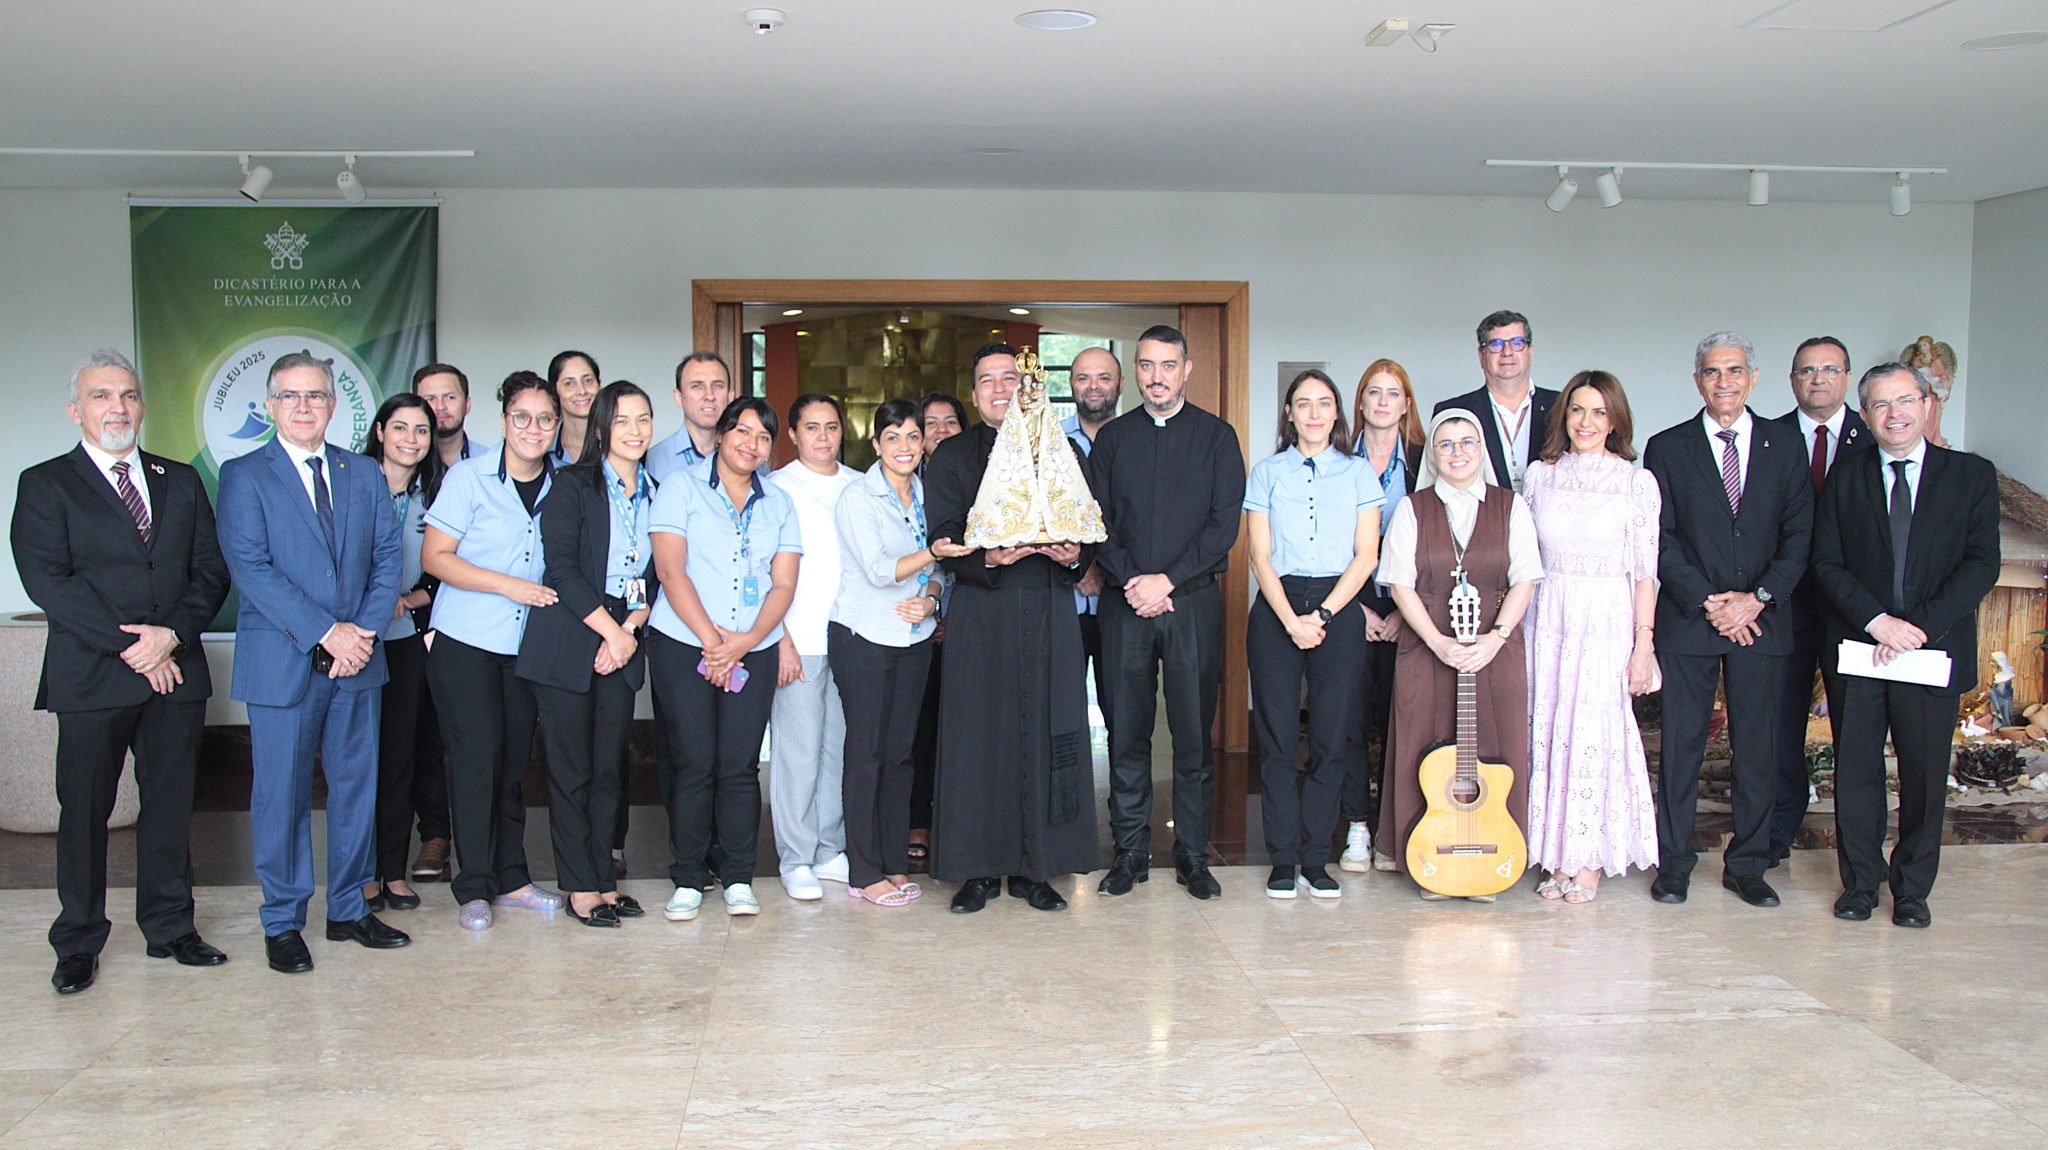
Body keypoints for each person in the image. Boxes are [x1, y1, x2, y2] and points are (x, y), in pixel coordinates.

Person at [12, 349, 232, 994]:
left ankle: (170, 927)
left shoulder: (180, 480)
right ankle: (78, 940)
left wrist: (170, 637)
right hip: (94, 677)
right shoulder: (46, 482)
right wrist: (135, 647)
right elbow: (50, 582)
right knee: (83, 811)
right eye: (103, 396)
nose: (119, 407)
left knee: (169, 807)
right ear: (76, 410)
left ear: (142, 405)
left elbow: (211, 571)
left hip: (176, 670)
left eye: (129, 395)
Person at [217, 352, 408, 972]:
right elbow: (251, 568)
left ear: (334, 404)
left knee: (358, 788)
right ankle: (283, 920)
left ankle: (349, 908)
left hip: (359, 663)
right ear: (271, 406)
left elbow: (387, 561)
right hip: (285, 662)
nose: (304, 407)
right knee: (282, 794)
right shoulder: (245, 475)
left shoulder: (364, 474)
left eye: (316, 396)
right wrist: (328, 632)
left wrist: (362, 634)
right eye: (291, 396)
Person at [1813, 363, 1999, 928]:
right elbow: (1827, 562)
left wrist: (1915, 626)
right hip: (1861, 649)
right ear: (1865, 415)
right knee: (1858, 772)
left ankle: (1913, 889)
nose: (1894, 414)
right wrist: (1877, 622)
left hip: (1931, 647)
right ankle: (1860, 885)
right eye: (1880, 405)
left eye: (1905, 401)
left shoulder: (1970, 476)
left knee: (1923, 774)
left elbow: (1981, 565)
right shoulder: (1845, 477)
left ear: (1926, 405)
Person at [925, 343, 1099, 913]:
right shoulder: (952, 456)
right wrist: (987, 559)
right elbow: (945, 537)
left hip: (1049, 608)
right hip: (982, 612)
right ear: (974, 394)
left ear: (1030, 389)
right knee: (979, 740)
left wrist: (1074, 554)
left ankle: (1037, 869)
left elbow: (1089, 525)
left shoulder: (1062, 448)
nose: (1001, 390)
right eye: (988, 382)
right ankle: (977, 869)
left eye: (1010, 379)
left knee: (1051, 734)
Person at [1642, 332, 1813, 909]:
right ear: (1698, 381)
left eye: (1735, 371)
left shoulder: (1785, 446)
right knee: (1681, 748)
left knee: (1758, 748)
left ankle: (1749, 864)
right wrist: (1713, 601)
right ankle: (1674, 864)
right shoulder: (1667, 448)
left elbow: (1799, 536)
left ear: (1753, 378)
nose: (1724, 382)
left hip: (1763, 621)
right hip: (1691, 620)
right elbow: (1658, 539)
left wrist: (1756, 598)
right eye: (1713, 372)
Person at [1089, 325, 1244, 900]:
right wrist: (1134, 581)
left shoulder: (1217, 437)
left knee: (1193, 738)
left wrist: (1167, 580)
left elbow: (1222, 525)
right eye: (1147, 366)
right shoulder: (1113, 439)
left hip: (1193, 603)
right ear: (1136, 372)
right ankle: (1129, 853)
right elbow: (1096, 520)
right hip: (1124, 605)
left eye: (1168, 365)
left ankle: (1191, 856)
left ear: (1187, 369)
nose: (1157, 376)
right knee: (1125, 733)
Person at [646, 397, 802, 920]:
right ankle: (689, 876)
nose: (751, 444)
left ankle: (738, 876)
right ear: (721, 433)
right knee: (693, 761)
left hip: (751, 647)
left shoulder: (778, 503)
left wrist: (748, 638)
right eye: (742, 431)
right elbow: (671, 571)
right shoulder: (680, 486)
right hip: (683, 643)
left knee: (738, 767)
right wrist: (714, 641)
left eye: (762, 436)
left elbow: (783, 584)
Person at [422, 371, 567, 932]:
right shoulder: (468, 477)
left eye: (545, 419)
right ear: (505, 422)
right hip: (468, 642)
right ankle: (474, 885)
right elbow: (436, 556)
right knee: (475, 762)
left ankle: (513, 877)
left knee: (510, 765)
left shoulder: (566, 483)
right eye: (522, 418)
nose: (533, 428)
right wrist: (509, 586)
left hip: (527, 648)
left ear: (557, 427)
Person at [1377, 409, 1541, 901]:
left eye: (1467, 442)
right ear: (1433, 453)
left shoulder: (1511, 506)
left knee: (1494, 747)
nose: (1457, 453)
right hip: (1427, 646)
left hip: (1496, 648)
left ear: (1481, 449)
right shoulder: (1413, 507)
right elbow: (1400, 584)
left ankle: (1491, 857)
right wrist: (1438, 642)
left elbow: (1526, 578)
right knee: (1423, 747)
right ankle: (1428, 858)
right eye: (1445, 444)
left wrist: (1494, 638)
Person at [518, 381, 657, 928]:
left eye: (643, 419)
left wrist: (633, 625)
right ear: (601, 428)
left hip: (622, 639)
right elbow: (562, 570)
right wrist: (612, 634)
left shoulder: (657, 490)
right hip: (569, 644)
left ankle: (604, 878)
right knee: (571, 773)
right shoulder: (571, 485)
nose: (635, 431)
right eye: (622, 420)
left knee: (608, 772)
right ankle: (578, 886)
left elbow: (655, 572)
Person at [1522, 372, 1662, 903]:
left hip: (1605, 618)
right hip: (1548, 614)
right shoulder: (1540, 477)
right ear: (1563, 417)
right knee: (1549, 728)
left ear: (1616, 421)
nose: (1586, 422)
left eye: (1599, 412)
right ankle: (1554, 855)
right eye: (1577, 410)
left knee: (1594, 735)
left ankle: (1587, 858)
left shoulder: (1635, 482)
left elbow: (1645, 572)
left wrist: (1643, 643)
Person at [1245, 370, 1383, 899]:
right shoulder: (1266, 472)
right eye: (1303, 404)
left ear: (1337, 413)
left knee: (1332, 738)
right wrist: (1289, 619)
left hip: (1339, 606)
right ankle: (1282, 859)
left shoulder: (1356, 473)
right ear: (1289, 413)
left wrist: (1321, 616)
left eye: (1324, 403)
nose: (1314, 413)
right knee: (1278, 740)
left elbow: (1366, 555)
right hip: (1278, 605)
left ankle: (1316, 859)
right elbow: (1259, 556)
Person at [831, 398, 969, 905]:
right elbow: (878, 569)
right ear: (876, 445)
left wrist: (932, 601)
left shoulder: (928, 493)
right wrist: (933, 554)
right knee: (866, 756)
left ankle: (891, 863)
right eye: (893, 438)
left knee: (900, 756)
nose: (905, 447)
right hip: (864, 637)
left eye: (913, 436)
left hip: (913, 638)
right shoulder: (857, 497)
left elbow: (940, 573)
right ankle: (863, 872)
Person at [1766, 336, 1869, 863]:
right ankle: (1779, 829)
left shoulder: (1876, 435)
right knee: (1781, 722)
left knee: (1856, 726)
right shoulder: (1769, 437)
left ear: (1848, 377)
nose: (1818, 379)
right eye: (1807, 370)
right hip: (1786, 606)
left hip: (1854, 612)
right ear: (1792, 380)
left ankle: (1857, 846)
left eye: (1830, 369)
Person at [767, 394, 860, 900]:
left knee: (836, 749)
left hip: (847, 638)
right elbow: (764, 572)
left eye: (831, 426)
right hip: (797, 639)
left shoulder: (860, 486)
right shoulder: (776, 488)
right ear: (793, 434)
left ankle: (829, 849)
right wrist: (777, 639)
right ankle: (795, 856)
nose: (823, 437)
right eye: (812, 427)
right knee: (798, 752)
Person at [358, 394, 447, 914]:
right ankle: (361, 873)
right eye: (401, 428)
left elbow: (445, 566)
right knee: (358, 763)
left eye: (421, 430)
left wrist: (408, 601)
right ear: (379, 431)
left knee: (399, 760)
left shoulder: (434, 493)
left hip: (405, 641)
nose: (411, 439)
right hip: (354, 643)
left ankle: (392, 871)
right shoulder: (349, 485)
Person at [1342, 358, 1423, 873]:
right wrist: (1360, 609)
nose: (1383, 402)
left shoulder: (1426, 462)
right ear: (1361, 402)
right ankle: (1357, 828)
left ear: (1406, 404)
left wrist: (1399, 613)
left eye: (1393, 393)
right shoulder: (1334, 460)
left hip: (1410, 616)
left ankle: (1396, 830)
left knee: (1404, 723)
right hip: (1349, 607)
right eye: (1374, 392)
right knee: (1347, 722)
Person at [907, 390, 970, 864]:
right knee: (919, 728)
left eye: (951, 422)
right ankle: (918, 822)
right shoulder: (904, 484)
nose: (941, 430)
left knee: (965, 730)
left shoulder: (979, 477)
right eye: (931, 423)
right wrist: (931, 611)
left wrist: (949, 615)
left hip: (968, 623)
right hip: (913, 625)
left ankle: (961, 819)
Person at [1435, 310, 1559, 492]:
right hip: (1480, 519)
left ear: (1530, 351)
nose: (1507, 352)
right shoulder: (1454, 412)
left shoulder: (1561, 406)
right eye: (1496, 344)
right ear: (1481, 355)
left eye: (1517, 343)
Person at [1060, 348, 1118, 732]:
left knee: (1123, 713)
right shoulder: (1049, 443)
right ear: (1071, 384)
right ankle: (1066, 795)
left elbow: (1138, 519)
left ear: (1120, 385)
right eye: (1083, 378)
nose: (1093, 386)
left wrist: (1100, 566)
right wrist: (1078, 569)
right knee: (1062, 712)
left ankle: (1126, 795)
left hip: (1121, 600)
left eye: (1103, 378)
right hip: (1064, 600)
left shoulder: (1137, 440)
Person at [647, 352, 732, 484]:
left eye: (718, 385)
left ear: (730, 396)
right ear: (678, 397)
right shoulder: (653, 460)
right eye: (697, 386)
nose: (709, 395)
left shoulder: (746, 455)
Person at [415, 362, 487, 470]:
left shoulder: (490, 461)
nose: (440, 407)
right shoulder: (406, 462)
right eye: (430, 399)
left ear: (467, 405)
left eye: (450, 397)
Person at [548, 349, 602, 466]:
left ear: (599, 386)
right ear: (554, 391)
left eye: (588, 380)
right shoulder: (542, 448)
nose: (581, 391)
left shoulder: (618, 445)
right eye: (569, 383)